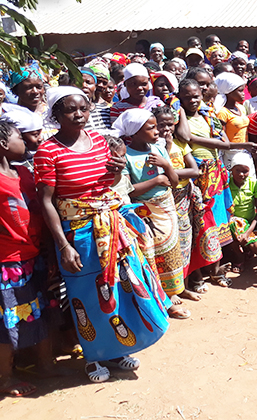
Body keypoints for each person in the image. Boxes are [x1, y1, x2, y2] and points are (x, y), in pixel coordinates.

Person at [35, 86, 169, 383]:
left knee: (117, 288)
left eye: (84, 108)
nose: (79, 115)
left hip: (109, 227)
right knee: (87, 295)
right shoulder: (48, 150)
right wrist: (63, 246)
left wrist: (118, 170)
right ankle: (93, 356)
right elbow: (47, 201)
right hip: (77, 234)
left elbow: (110, 182)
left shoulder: (98, 140)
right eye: (71, 110)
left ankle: (119, 347)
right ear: (56, 114)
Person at [176, 78, 256, 290]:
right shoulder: (179, 115)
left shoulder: (207, 114)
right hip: (198, 174)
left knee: (218, 224)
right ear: (179, 97)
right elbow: (185, 136)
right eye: (186, 97)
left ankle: (216, 271)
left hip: (215, 173)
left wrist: (214, 142)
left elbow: (222, 141)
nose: (192, 100)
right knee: (200, 226)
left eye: (196, 96)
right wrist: (183, 115)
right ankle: (197, 277)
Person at [112, 109, 189, 320]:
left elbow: (173, 181)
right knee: (150, 253)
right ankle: (160, 297)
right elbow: (129, 189)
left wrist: (165, 165)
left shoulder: (158, 149)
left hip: (166, 204)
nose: (157, 131)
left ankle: (173, 290)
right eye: (151, 128)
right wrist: (155, 180)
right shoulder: (125, 154)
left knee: (172, 249)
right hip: (143, 209)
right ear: (135, 132)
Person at [0, 120, 57, 397]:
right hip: (7, 261)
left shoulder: (22, 172)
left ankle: (45, 363)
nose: (25, 142)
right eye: (19, 137)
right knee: (8, 320)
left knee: (40, 310)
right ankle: (5, 377)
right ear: (3, 145)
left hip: (34, 255)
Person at [153, 105, 201, 301]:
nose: (166, 129)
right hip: (163, 200)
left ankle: (183, 286)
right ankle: (169, 291)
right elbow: (158, 175)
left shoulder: (180, 145)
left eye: (169, 125)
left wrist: (170, 171)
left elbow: (195, 170)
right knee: (166, 246)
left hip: (183, 197)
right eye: (161, 125)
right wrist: (165, 153)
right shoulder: (153, 148)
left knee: (184, 242)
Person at [227, 152, 257, 267]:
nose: (241, 174)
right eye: (237, 170)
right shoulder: (227, 184)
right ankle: (239, 256)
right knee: (233, 223)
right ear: (232, 170)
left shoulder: (254, 183)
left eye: (245, 171)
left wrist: (247, 233)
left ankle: (247, 247)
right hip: (232, 223)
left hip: (251, 224)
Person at [214, 72, 252, 170]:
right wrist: (245, 145)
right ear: (229, 92)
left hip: (244, 152)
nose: (243, 94)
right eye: (240, 91)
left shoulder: (240, 108)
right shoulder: (222, 112)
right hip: (230, 154)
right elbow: (222, 139)